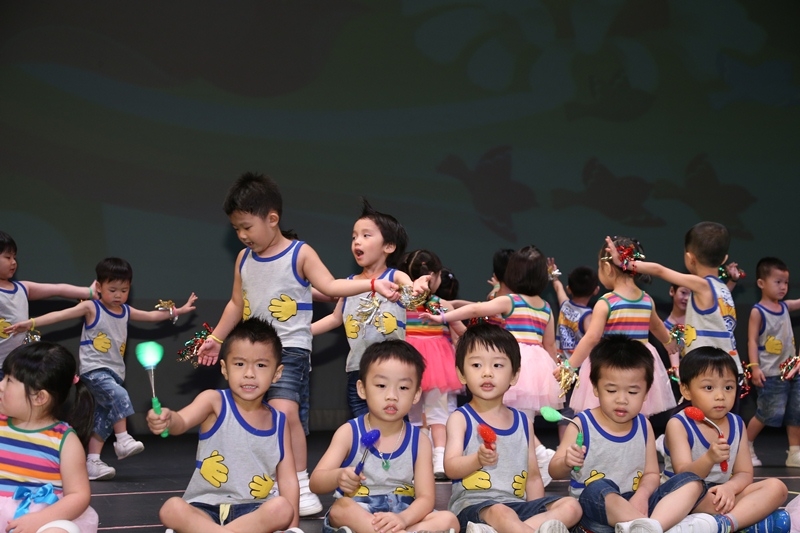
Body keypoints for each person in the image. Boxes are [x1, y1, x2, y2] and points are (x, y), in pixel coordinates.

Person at [196, 175, 402, 516]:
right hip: (251, 354)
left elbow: (331, 286)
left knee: (285, 411)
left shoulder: (299, 252)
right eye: (236, 229)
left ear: (272, 218)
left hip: (290, 348)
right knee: (258, 418)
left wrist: (373, 285)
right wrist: (217, 339)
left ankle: (301, 482)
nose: (242, 235)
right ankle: (271, 481)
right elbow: (236, 303)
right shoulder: (244, 259)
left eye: (247, 227)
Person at [4, 257, 197, 481]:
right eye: (112, 289)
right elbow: (60, 315)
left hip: (115, 372)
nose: (118, 295)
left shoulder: (125, 311)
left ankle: (93, 462)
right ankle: (123, 440)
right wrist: (31, 323)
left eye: (124, 290)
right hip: (94, 370)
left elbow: (151, 316)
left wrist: (179, 311)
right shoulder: (91, 307)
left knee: (103, 419)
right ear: (98, 287)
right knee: (119, 395)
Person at [147, 318, 301, 533]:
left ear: (277, 373)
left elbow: (288, 479)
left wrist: (292, 527)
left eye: (261, 365)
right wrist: (168, 419)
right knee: (172, 508)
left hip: (253, 512)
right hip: (203, 508)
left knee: (282, 509)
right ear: (225, 368)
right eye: (239, 364)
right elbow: (181, 422)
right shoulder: (214, 402)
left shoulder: (280, 421)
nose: (249, 373)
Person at [549, 335, 708, 533]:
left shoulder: (643, 425)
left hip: (637, 504)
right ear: (596, 388)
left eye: (632, 392)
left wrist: (642, 495)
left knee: (692, 482)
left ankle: (647, 526)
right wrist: (566, 462)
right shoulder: (582, 424)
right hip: (594, 514)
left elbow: (651, 474)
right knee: (597, 489)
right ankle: (651, 526)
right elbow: (554, 471)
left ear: (646, 393)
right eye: (611, 390)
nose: (622, 400)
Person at [309, 340, 459, 533]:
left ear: (416, 394)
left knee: (448, 519)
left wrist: (402, 519)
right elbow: (316, 482)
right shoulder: (349, 432)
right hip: (360, 512)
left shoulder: (419, 440)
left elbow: (426, 498)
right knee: (341, 509)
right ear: (362, 389)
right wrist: (338, 476)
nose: (392, 396)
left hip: (402, 515)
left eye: (403, 388)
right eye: (381, 385)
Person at [445, 323, 582, 533]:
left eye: (497, 365)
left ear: (514, 375)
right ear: (461, 373)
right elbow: (451, 467)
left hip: (515, 508)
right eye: (477, 365)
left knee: (571, 506)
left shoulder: (523, 422)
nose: (487, 373)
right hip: (473, 508)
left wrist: (536, 510)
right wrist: (477, 460)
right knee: (501, 512)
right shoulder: (460, 418)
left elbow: (533, 477)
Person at [312, 198, 421, 420]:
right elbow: (335, 318)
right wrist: (302, 330)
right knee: (362, 427)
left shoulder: (395, 277)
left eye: (366, 235)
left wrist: (419, 286)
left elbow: (413, 295)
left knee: (394, 424)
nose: (357, 242)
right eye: (354, 237)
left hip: (393, 368)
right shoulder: (350, 283)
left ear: (389, 246)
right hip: (358, 370)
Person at [663, 347, 789, 533]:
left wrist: (729, 488)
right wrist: (709, 459)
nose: (720, 396)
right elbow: (683, 476)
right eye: (709, 388)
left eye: (728, 387)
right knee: (690, 493)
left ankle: (725, 524)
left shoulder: (737, 424)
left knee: (777, 488)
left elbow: (744, 473)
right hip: (684, 497)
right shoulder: (678, 424)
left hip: (721, 496)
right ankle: (745, 520)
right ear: (686, 390)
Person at [559, 236, 678, 416]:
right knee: (637, 408)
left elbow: (592, 338)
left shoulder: (606, 302)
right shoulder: (647, 300)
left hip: (612, 362)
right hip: (638, 363)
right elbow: (657, 327)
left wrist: (569, 366)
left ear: (607, 268)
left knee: (606, 410)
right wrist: (669, 343)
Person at [602, 223, 742, 375]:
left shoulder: (702, 285)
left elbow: (659, 271)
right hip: (730, 365)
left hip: (708, 367)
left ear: (690, 258)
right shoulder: (722, 288)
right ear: (724, 259)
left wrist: (624, 263)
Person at [0, 342, 99, 533]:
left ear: (39, 397)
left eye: (9, 380)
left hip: (45, 517)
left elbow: (78, 495)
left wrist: (40, 519)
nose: (1, 385)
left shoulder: (64, 440)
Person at [400, 250, 465, 479]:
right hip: (437, 361)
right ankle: (440, 457)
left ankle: (419, 458)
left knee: (413, 413)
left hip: (408, 359)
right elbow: (461, 332)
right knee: (438, 412)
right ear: (435, 276)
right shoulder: (441, 304)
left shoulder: (401, 302)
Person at [0, 230, 97, 373]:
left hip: (17, 367)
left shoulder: (23, 288)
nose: (13, 262)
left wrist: (89, 292)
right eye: (8, 257)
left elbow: (57, 289)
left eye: (14, 257)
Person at [744, 258, 800, 467]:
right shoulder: (758, 311)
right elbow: (752, 340)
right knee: (767, 412)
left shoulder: (784, 306)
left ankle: (794, 452)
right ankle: (745, 446)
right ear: (761, 283)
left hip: (793, 371)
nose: (783, 287)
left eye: (786, 283)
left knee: (796, 411)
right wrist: (754, 367)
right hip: (770, 373)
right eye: (778, 282)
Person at [548, 262, 598, 438]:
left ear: (569, 288)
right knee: (580, 410)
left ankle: (563, 444)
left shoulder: (565, 305)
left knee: (565, 411)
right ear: (596, 290)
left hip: (561, 366)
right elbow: (593, 340)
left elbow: (557, 287)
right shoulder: (589, 316)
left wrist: (554, 275)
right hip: (579, 370)